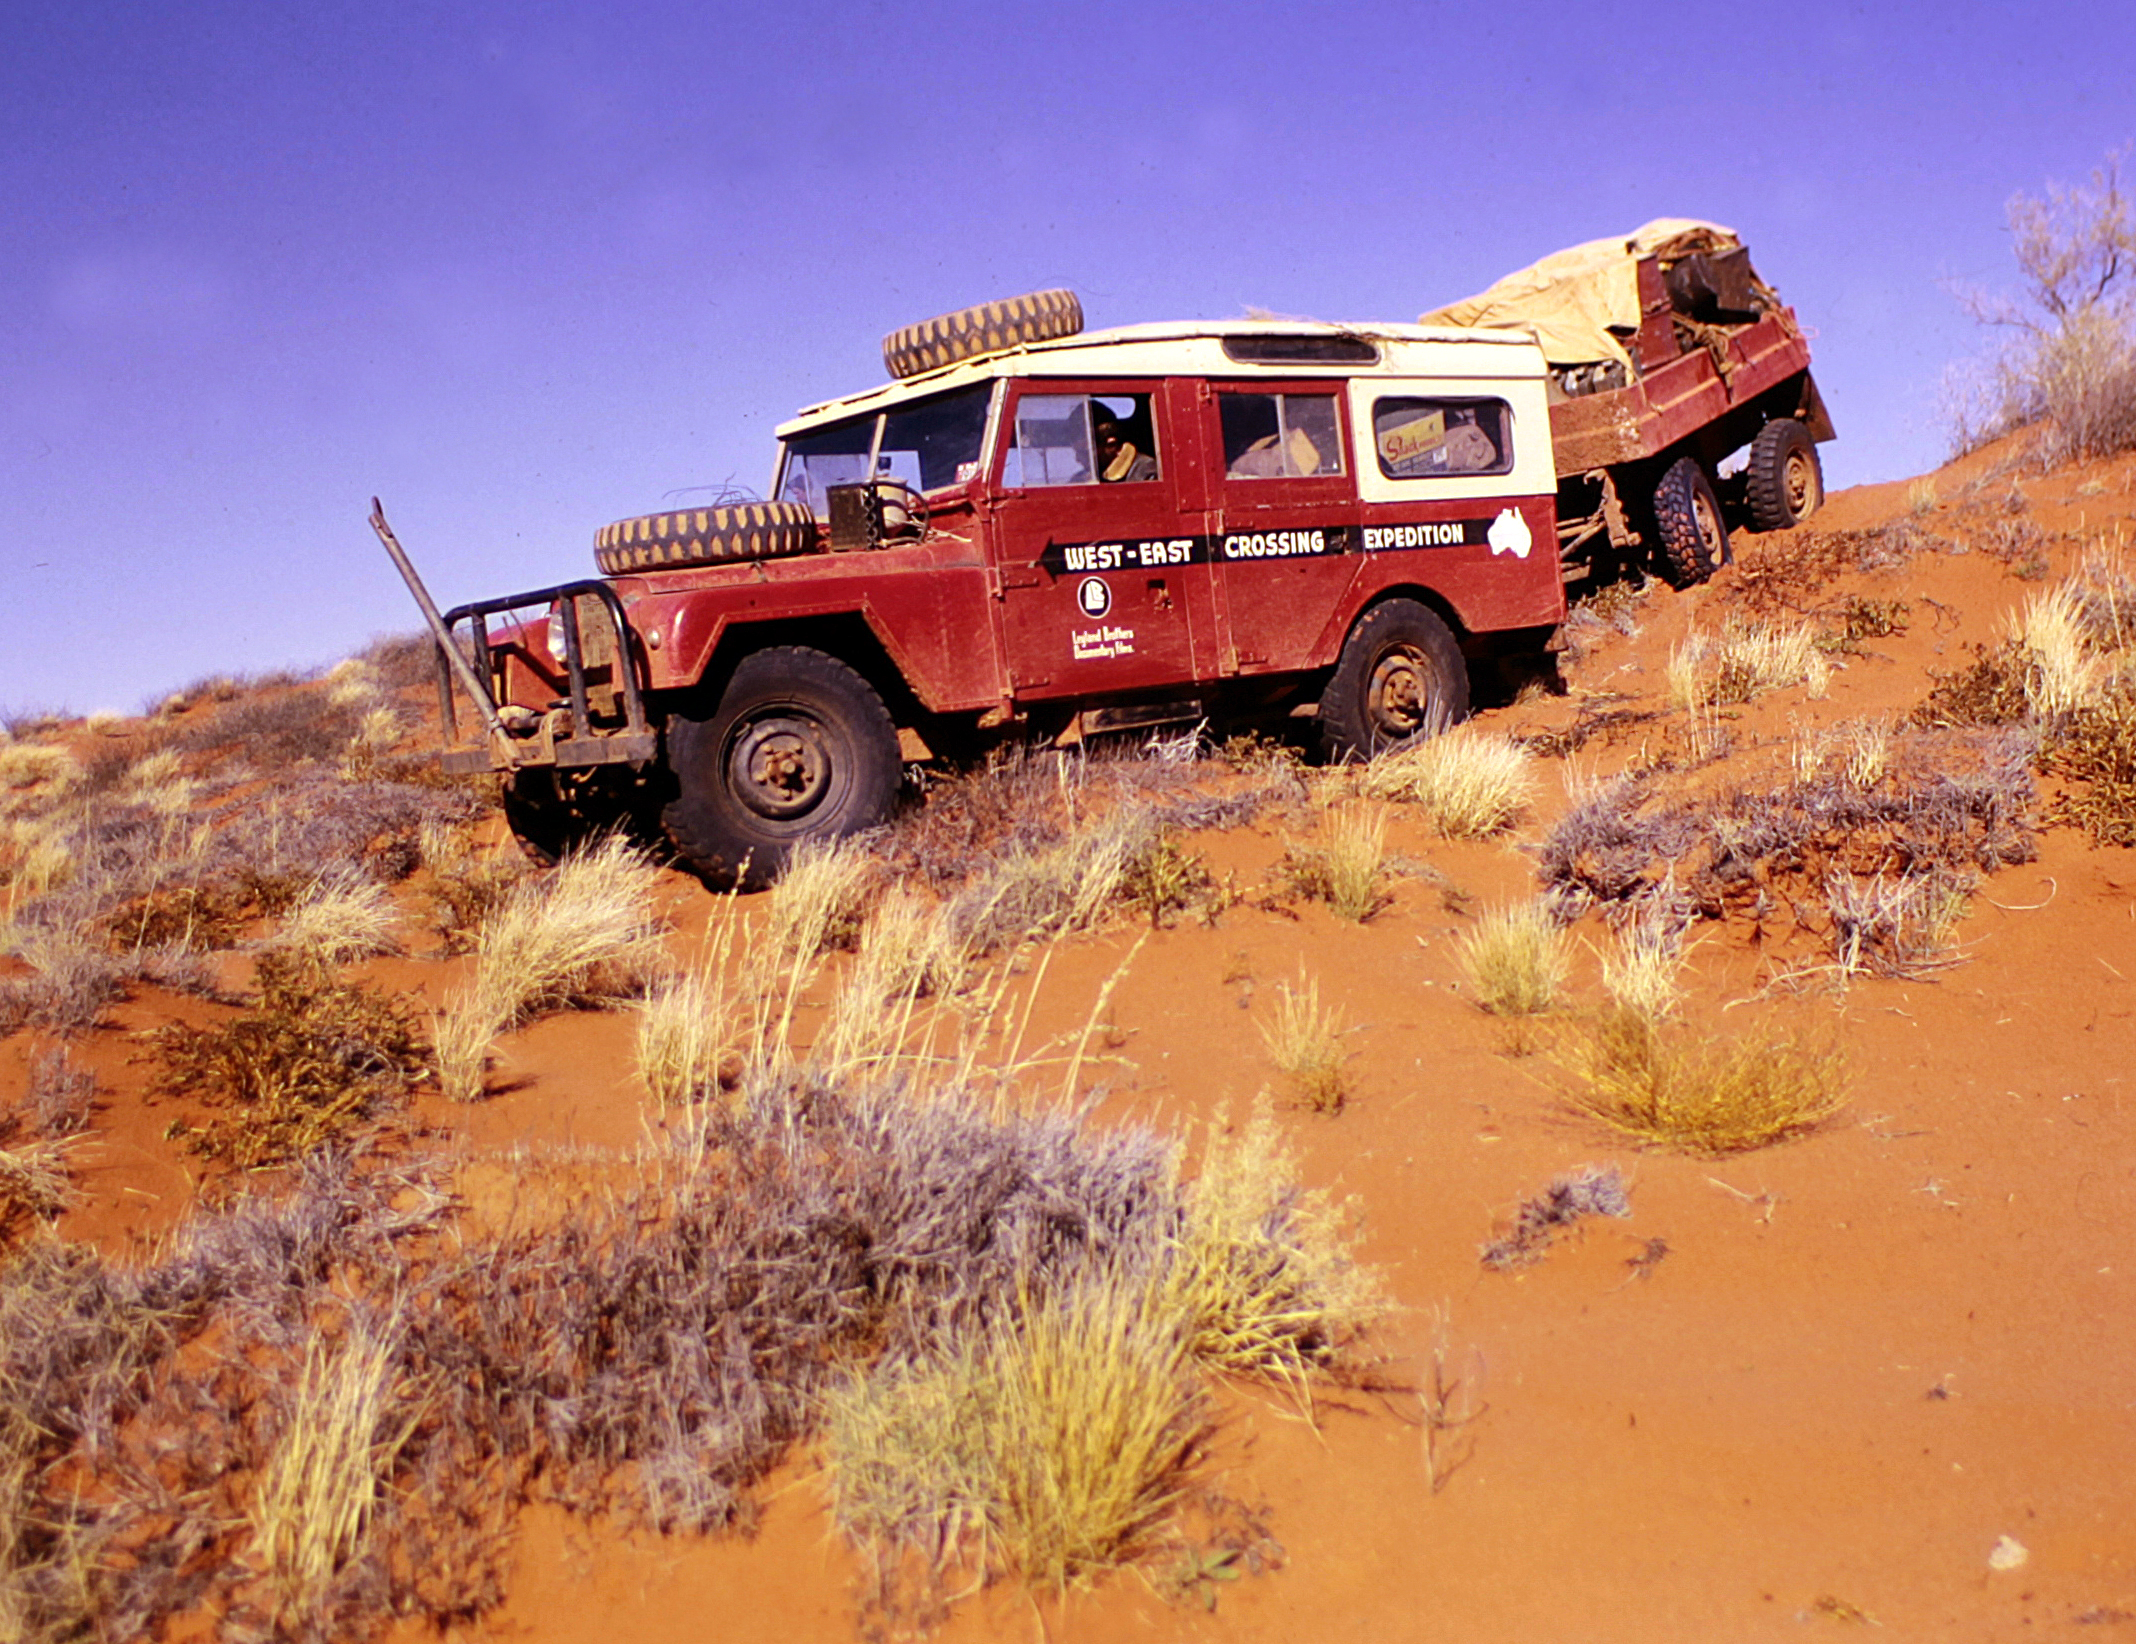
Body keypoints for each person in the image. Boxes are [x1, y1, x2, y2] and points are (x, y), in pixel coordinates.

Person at [1092, 405, 1157, 482]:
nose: (1077, 458)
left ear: (1111, 445)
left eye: (1085, 452)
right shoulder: (1085, 475)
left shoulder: (1145, 470)